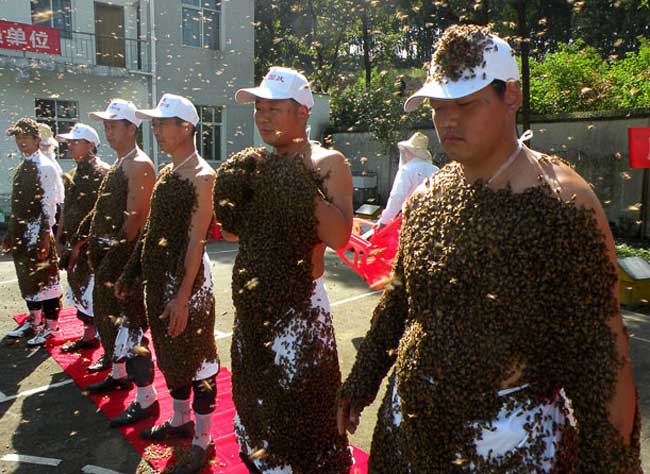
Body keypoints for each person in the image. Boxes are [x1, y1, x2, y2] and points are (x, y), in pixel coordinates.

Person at [336, 25, 640, 472]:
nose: (448, 120)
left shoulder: (564, 201)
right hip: (409, 428)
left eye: (465, 104)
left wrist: (610, 463)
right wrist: (362, 380)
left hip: (512, 441)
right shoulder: (428, 195)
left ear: (510, 96)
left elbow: (604, 354)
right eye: (439, 107)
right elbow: (401, 300)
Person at [213, 66, 353, 473]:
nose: (263, 116)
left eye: (274, 108)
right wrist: (233, 186)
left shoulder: (327, 161)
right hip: (252, 307)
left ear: (303, 111)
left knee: (303, 414)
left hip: (299, 310)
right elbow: (233, 234)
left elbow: (340, 236)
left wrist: (295, 181)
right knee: (254, 404)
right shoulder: (256, 165)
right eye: (259, 108)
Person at [116, 93, 220, 474]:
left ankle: (203, 441)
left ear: (186, 127)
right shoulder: (167, 173)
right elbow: (151, 232)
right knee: (171, 354)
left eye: (163, 123)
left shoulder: (203, 176)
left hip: (190, 284)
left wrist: (182, 296)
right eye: (155, 123)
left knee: (200, 359)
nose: (156, 130)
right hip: (160, 282)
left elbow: (196, 241)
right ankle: (180, 421)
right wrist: (131, 272)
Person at [72, 99, 158, 428]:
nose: (107, 132)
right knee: (111, 322)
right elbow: (102, 210)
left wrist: (114, 260)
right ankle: (119, 375)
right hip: (107, 260)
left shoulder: (139, 164)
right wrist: (85, 242)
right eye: (105, 126)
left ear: (131, 128)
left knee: (132, 329)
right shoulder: (120, 163)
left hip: (123, 262)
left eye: (113, 125)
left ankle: (146, 399)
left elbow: (135, 219)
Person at [4, 118, 64, 346]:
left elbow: (50, 204)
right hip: (22, 231)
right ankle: (35, 320)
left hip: (39, 230)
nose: (21, 142)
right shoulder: (23, 166)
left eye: (26, 138)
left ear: (37, 140)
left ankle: (51, 326)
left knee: (46, 280)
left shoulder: (45, 166)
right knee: (27, 278)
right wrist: (11, 232)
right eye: (18, 138)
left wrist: (45, 237)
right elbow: (18, 204)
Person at [54, 123, 110, 352]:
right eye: (69, 142)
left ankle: (110, 349)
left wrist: (80, 244)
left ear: (90, 145)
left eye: (75, 142)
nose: (69, 145)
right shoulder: (71, 176)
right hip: (72, 244)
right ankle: (89, 336)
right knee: (79, 290)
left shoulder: (104, 173)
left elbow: (103, 214)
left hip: (94, 246)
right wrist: (59, 239)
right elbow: (66, 210)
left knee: (97, 295)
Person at [375, 132, 438, 230]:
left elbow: (397, 196)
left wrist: (384, 221)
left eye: (406, 151)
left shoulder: (406, 169)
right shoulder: (436, 169)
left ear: (410, 152)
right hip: (434, 221)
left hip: (412, 220)